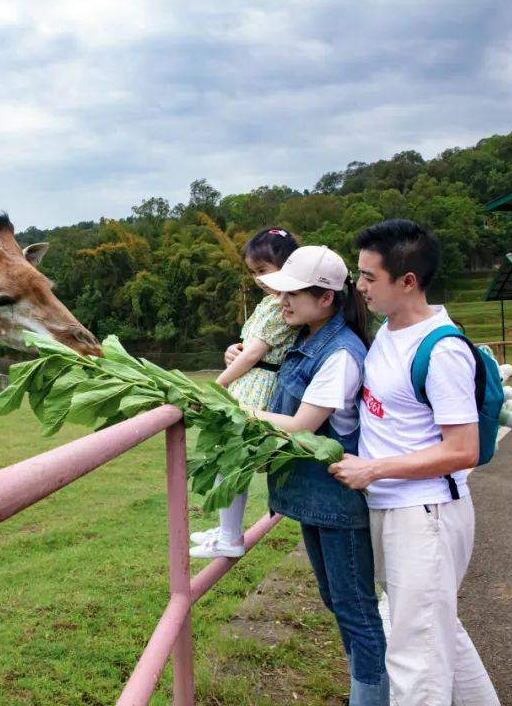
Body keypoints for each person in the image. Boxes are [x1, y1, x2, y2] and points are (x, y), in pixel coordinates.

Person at [330, 219, 500, 705]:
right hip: (395, 510)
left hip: (425, 514)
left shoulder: (442, 349)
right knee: (437, 631)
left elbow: (462, 450)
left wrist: (372, 469)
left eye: (368, 278)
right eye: (357, 275)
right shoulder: (387, 332)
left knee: (414, 658)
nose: (359, 288)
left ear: (408, 282)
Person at [248, 245, 389, 706]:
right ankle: (366, 686)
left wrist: (237, 411)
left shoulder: (341, 353)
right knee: (336, 600)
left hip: (336, 497)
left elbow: (301, 426)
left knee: (354, 608)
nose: (282, 302)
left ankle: (371, 696)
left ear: (325, 298)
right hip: (315, 495)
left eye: (292, 294)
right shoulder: (309, 339)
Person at [190, 228, 300, 558]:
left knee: (232, 462)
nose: (259, 279)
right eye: (254, 273)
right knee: (228, 461)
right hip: (248, 382)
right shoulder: (271, 303)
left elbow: (255, 354)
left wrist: (218, 384)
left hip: (256, 389)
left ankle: (230, 536)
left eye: (264, 271)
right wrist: (232, 349)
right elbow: (246, 347)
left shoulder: (284, 306)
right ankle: (227, 530)